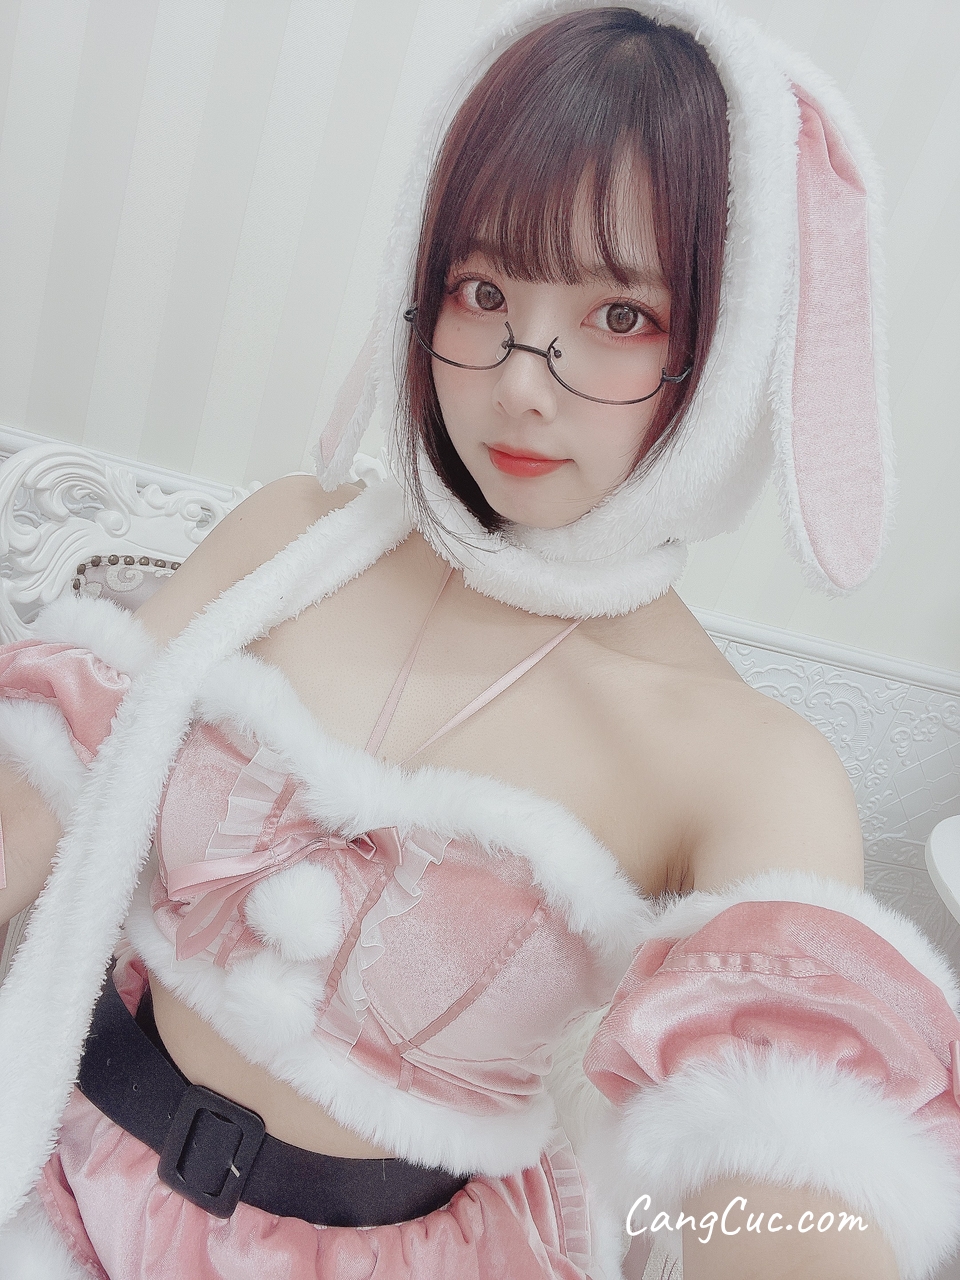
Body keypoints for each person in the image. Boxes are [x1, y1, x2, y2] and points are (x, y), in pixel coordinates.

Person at [0, 3, 958, 1278]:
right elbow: (35, 794)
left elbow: (798, 1172)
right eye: (485, 290)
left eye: (623, 315)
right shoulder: (291, 536)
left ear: (727, 350)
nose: (520, 383)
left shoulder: (746, 761)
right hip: (62, 1165)